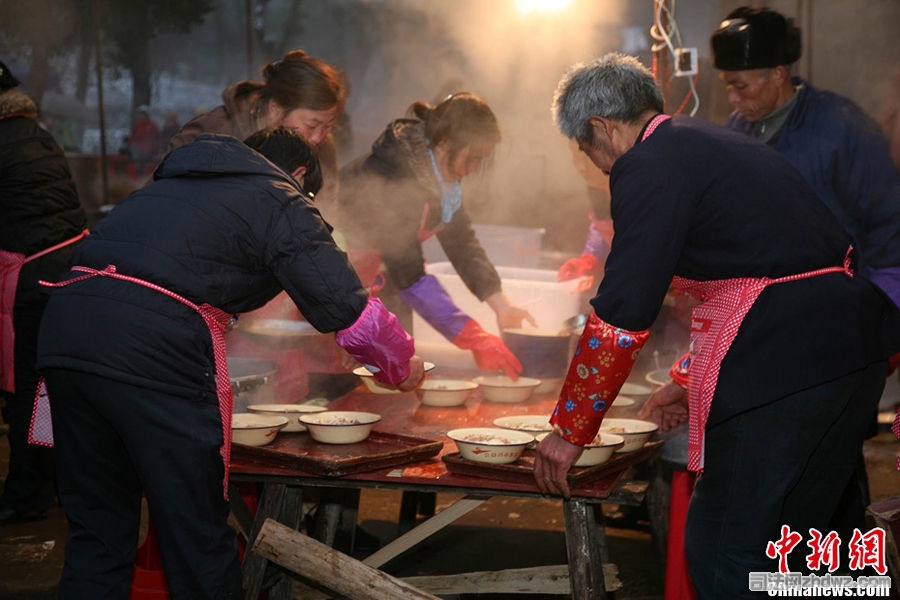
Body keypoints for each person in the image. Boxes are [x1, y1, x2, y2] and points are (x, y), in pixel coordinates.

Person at [532, 53, 899, 599]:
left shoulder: (646, 161)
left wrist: (569, 430)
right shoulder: (711, 142)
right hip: (851, 351)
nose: (598, 166)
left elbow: (624, 307)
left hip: (786, 363)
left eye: (588, 152)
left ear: (600, 127)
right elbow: (764, 271)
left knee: (727, 546)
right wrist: (686, 377)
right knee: (804, 545)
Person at [34, 127, 426, 599]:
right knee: (196, 533)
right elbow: (345, 305)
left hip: (65, 335)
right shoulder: (280, 195)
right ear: (299, 175)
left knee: (97, 531)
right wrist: (402, 364)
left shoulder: (168, 187)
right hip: (152, 347)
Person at [709, 6, 900, 307]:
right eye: (727, 86)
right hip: (771, 299)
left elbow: (888, 218)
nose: (733, 99)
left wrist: (883, 300)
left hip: (840, 296)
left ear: (778, 74)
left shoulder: (840, 127)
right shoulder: (735, 129)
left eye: (741, 87)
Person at [337, 91, 534, 379]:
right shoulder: (395, 174)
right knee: (339, 385)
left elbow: (462, 244)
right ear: (444, 144)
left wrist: (501, 304)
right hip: (334, 286)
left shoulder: (440, 179)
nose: (474, 169)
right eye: (473, 158)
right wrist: (474, 337)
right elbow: (410, 275)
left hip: (371, 286)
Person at [0, 60, 87, 523]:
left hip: (30, 280)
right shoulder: (34, 132)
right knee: (48, 389)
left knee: (26, 392)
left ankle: (25, 492)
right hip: (66, 272)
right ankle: (50, 482)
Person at [168, 48, 346, 210]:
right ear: (275, 109)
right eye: (312, 125)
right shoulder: (211, 133)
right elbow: (159, 198)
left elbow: (328, 211)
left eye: (328, 126)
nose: (318, 138)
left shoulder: (323, 147)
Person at [556, 139, 613, 283]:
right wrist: (587, 263)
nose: (581, 166)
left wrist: (676, 282)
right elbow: (603, 234)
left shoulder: (645, 194)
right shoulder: (599, 196)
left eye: (586, 155)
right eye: (575, 156)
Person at [127, 105, 164, 173]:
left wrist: (158, 149)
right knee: (138, 166)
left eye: (143, 114)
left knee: (147, 167)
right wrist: (129, 147)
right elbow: (133, 137)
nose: (141, 116)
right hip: (139, 151)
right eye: (140, 114)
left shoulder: (152, 125)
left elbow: (158, 138)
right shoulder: (138, 125)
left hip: (150, 151)